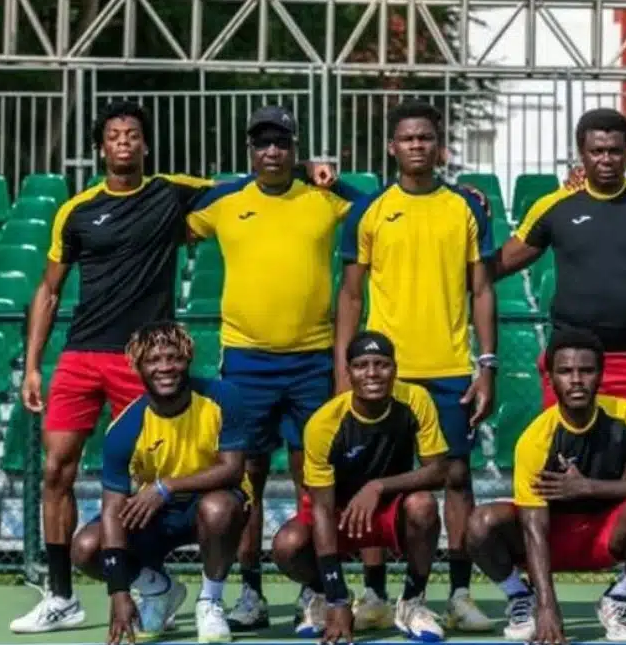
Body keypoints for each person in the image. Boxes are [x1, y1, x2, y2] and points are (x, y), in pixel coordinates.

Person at [10, 101, 215, 634]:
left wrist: (313, 172)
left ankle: (150, 580)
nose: (124, 141)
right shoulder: (76, 210)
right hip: (80, 355)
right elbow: (49, 292)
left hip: (143, 359)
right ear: (102, 147)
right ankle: (60, 596)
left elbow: (245, 189)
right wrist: (33, 366)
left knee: (143, 478)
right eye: (114, 135)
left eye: (133, 134)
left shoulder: (172, 192)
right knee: (57, 470)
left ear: (145, 145)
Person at [493, 107, 626, 631]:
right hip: (569, 368)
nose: (605, 159)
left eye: (615, 150)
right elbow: (502, 262)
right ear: (580, 154)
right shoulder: (555, 206)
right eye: (596, 150)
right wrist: (455, 252)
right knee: (552, 474)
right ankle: (540, 596)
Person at [185, 105, 363, 632]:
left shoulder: (323, 199)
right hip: (246, 361)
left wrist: (335, 176)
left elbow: (380, 206)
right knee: (246, 480)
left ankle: (313, 587)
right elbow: (169, 220)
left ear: (295, 148)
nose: (271, 152)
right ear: (250, 150)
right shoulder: (226, 203)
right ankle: (251, 592)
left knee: (314, 476)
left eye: (281, 143)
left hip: (312, 359)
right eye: (261, 143)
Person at [335, 99, 496, 632]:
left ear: (438, 145)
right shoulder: (369, 211)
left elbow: (481, 290)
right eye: (407, 139)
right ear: (393, 147)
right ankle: (377, 594)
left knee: (456, 478)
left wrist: (487, 364)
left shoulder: (465, 208)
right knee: (376, 477)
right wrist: (345, 371)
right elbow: (352, 297)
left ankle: (458, 593)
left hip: (450, 369)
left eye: (426, 138)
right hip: (386, 374)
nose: (417, 147)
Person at [466, 327, 626, 643]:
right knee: (481, 523)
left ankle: (618, 599)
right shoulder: (535, 440)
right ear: (550, 378)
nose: (576, 380)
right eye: (565, 371)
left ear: (600, 374)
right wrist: (548, 607)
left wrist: (588, 487)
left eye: (586, 370)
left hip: (606, 533)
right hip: (551, 536)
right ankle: (523, 598)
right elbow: (533, 527)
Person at [68, 321, 254, 644]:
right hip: (157, 515)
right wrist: (119, 591)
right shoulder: (124, 429)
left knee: (217, 508)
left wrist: (165, 486)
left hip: (213, 505)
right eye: (153, 360)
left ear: (188, 360)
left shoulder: (224, 397)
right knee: (86, 547)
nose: (165, 367)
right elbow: (113, 510)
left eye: (173, 358)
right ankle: (159, 591)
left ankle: (210, 602)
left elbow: (233, 470)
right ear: (138, 366)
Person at [271, 331, 449, 642]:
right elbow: (323, 510)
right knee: (286, 545)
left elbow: (439, 471)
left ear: (395, 368)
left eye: (381, 364)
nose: (372, 374)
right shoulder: (324, 424)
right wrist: (339, 601)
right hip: (340, 514)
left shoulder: (416, 400)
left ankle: (411, 602)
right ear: (348, 372)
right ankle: (325, 595)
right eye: (361, 365)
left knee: (424, 505)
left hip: (391, 511)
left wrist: (378, 486)